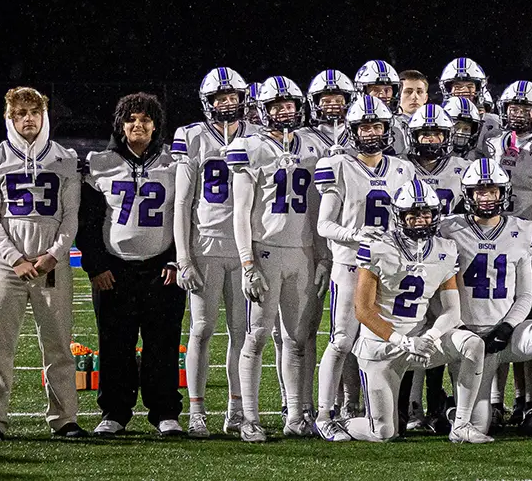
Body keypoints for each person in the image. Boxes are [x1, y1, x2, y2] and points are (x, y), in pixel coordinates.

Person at [228, 77, 338, 440]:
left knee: (297, 338)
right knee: (257, 335)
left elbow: (322, 207)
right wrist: (247, 263)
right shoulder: (249, 146)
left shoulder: (312, 146)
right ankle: (248, 418)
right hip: (266, 250)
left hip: (304, 251)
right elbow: (240, 212)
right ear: (262, 109)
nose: (283, 110)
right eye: (276, 105)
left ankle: (295, 415)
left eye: (288, 104)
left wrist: (323, 257)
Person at [0, 87, 85, 441]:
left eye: (34, 111)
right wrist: (15, 259)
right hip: (7, 269)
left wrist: (54, 254)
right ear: (9, 117)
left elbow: (71, 216)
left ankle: (64, 419)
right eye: (20, 113)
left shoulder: (65, 159)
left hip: (52, 265)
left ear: (45, 114)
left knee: (59, 346)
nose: (28, 118)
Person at [347, 181, 492, 443]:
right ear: (399, 216)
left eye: (426, 214)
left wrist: (431, 336)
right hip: (382, 346)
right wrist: (403, 341)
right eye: (413, 214)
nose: (421, 220)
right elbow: (363, 310)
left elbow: (452, 311)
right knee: (383, 433)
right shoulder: (377, 247)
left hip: (421, 341)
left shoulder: (444, 249)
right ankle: (343, 422)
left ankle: (461, 426)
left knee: (473, 344)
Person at [79, 92, 186, 438]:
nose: (137, 125)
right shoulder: (100, 162)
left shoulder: (174, 162)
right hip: (115, 270)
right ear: (120, 125)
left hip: (161, 269)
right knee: (114, 345)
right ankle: (114, 412)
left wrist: (176, 258)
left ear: (156, 125)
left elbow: (187, 215)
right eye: (131, 119)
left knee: (163, 344)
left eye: (145, 119)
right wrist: (95, 266)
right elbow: (88, 221)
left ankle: (165, 412)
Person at [442, 158, 532, 439]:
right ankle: (451, 410)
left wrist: (507, 326)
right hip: (468, 338)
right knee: (476, 427)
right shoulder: (449, 229)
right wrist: (460, 328)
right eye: (480, 191)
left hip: (505, 333)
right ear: (468, 194)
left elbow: (525, 294)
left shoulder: (522, 231)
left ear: (504, 192)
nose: (487, 198)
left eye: (493, 191)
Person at [313, 95, 416, 441]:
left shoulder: (404, 169)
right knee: (342, 339)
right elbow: (324, 225)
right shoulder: (338, 165)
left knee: (381, 341)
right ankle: (325, 414)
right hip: (350, 265)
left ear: (387, 129)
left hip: (388, 267)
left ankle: (372, 413)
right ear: (352, 130)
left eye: (376, 126)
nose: (371, 133)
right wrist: (356, 236)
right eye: (364, 126)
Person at [172, 67, 262, 436]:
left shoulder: (257, 137)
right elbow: (181, 202)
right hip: (205, 245)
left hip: (246, 247)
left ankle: (235, 408)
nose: (228, 104)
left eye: (233, 97)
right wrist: (183, 257)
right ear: (208, 104)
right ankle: (196, 411)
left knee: (240, 332)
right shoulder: (192, 136)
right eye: (220, 99)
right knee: (202, 329)